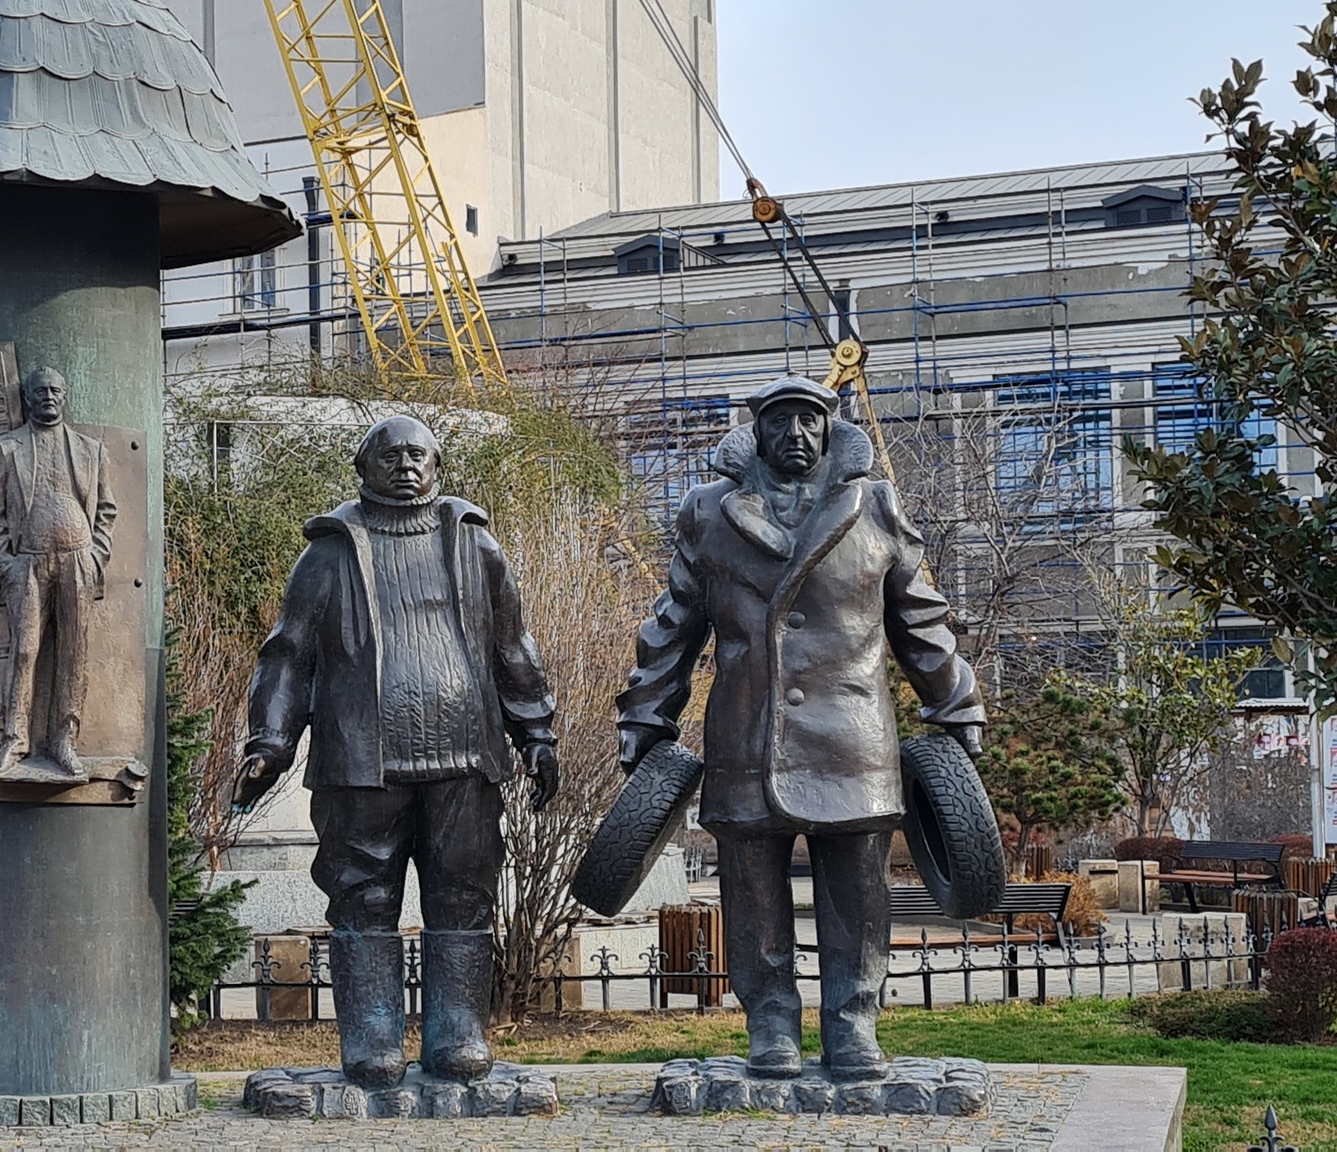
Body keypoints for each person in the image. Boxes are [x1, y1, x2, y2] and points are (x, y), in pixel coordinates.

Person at [615, 375, 984, 1081]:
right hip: (747, 736)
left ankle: (853, 1024)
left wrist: (955, 705)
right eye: (779, 421)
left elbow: (920, 620)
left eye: (808, 421)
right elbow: (674, 624)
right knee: (751, 894)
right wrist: (645, 716)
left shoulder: (873, 503)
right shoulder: (709, 512)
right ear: (756, 430)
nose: (794, 435)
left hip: (851, 735)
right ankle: (771, 1024)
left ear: (829, 428)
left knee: (857, 895)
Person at [236, 415, 559, 1087]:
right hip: (361, 762)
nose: (406, 466)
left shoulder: (472, 544)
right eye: (392, 456)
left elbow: (512, 645)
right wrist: (270, 739)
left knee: (463, 895)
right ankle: (373, 1039)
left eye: (419, 455)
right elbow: (288, 656)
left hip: (464, 758)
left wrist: (536, 731)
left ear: (437, 466)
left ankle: (458, 1034)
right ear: (364, 468)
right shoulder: (329, 553)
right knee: (362, 898)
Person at [0, 366, 116, 779]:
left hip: (77, 562)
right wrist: (7, 566)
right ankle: (14, 740)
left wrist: (95, 557)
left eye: (55, 390)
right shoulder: (6, 449)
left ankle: (63, 740)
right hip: (29, 565)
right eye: (40, 391)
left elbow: (106, 512)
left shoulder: (92, 450)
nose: (48, 397)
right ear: (28, 398)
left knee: (73, 650)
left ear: (65, 395)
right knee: (24, 650)